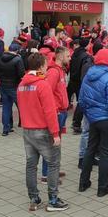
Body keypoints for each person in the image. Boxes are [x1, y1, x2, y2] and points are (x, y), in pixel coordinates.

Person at [17, 53, 68, 211]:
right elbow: (50, 111)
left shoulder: (22, 85)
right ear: (40, 67)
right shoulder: (42, 84)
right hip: (43, 130)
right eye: (46, 65)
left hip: (27, 130)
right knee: (53, 163)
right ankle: (53, 200)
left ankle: (34, 198)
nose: (47, 68)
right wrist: (55, 133)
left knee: (31, 165)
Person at [78, 49, 108, 197]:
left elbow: (81, 100)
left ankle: (83, 182)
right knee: (105, 153)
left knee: (90, 149)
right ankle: (102, 186)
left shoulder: (88, 76)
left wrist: (89, 115)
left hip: (93, 119)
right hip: (107, 120)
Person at [42, 46, 70, 182]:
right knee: (52, 144)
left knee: (55, 145)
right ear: (60, 56)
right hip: (57, 112)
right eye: (67, 56)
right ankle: (47, 174)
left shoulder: (59, 71)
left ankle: (53, 170)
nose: (69, 58)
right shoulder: (54, 72)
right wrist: (55, 110)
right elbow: (47, 92)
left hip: (61, 112)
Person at [0, 43, 25, 136]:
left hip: (3, 86)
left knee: (6, 108)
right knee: (22, 106)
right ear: (17, 50)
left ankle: (6, 129)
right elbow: (21, 74)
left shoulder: (0, 58)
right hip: (14, 87)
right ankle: (26, 125)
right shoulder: (18, 59)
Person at [69, 37, 93, 134]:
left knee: (75, 102)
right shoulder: (85, 56)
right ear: (86, 45)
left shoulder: (75, 53)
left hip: (73, 80)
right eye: (89, 43)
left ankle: (73, 122)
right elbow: (85, 72)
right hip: (80, 82)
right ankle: (76, 124)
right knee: (81, 103)